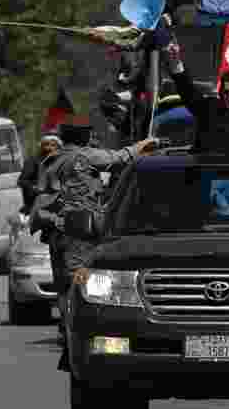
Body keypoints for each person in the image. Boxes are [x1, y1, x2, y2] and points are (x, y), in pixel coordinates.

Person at [30, 117, 157, 349]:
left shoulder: (51, 160)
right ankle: (75, 332)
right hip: (78, 229)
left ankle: (64, 329)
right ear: (85, 137)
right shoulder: (84, 156)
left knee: (63, 283)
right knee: (80, 279)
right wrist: (144, 144)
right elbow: (119, 159)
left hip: (55, 230)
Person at [164, 37, 229, 158]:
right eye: (227, 93)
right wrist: (175, 63)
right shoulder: (208, 110)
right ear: (220, 93)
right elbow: (188, 91)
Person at [18, 135, 61, 215]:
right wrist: (35, 188)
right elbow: (22, 181)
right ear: (41, 146)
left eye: (53, 145)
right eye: (46, 144)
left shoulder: (61, 161)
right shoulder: (33, 161)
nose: (49, 148)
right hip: (37, 203)